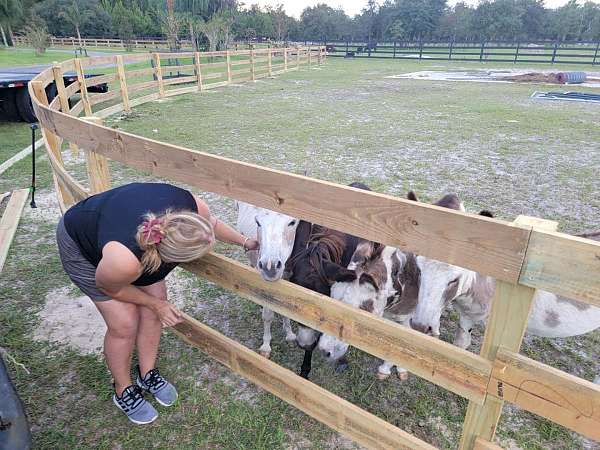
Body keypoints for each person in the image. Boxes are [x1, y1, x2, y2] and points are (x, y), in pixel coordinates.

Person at [56, 182, 258, 425]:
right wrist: (154, 304)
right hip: (83, 245)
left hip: (120, 230)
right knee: (124, 323)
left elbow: (211, 224)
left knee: (157, 304)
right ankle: (123, 389)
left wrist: (246, 242)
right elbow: (108, 286)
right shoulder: (126, 260)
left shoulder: (190, 207)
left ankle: (147, 373)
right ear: (171, 259)